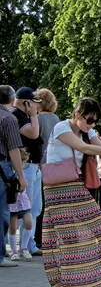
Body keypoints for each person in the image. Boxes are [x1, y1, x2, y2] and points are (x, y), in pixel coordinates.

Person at [43, 97, 101, 287]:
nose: (91, 125)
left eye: (95, 121)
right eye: (89, 120)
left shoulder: (87, 131)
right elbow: (87, 149)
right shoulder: (61, 127)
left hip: (76, 186)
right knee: (69, 240)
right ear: (77, 114)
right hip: (57, 189)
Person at [12, 87, 43, 256]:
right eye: (34, 103)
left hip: (35, 166)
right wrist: (33, 116)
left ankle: (29, 243)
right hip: (27, 166)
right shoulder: (17, 115)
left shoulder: (22, 115)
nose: (36, 107)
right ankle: (23, 245)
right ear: (26, 103)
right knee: (26, 208)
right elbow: (33, 133)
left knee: (35, 208)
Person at [0, 85, 28, 267]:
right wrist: (21, 176)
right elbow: (14, 149)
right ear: (12, 100)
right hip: (2, 167)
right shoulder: (8, 118)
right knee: (2, 213)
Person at [34, 88, 61, 248]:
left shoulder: (37, 119)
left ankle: (38, 238)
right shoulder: (56, 119)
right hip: (54, 166)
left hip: (40, 165)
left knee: (39, 205)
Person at [8, 149, 34, 260]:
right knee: (13, 228)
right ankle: (14, 251)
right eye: (22, 162)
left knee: (29, 222)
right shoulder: (9, 172)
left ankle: (23, 247)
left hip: (23, 202)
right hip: (12, 203)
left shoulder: (23, 174)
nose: (24, 165)